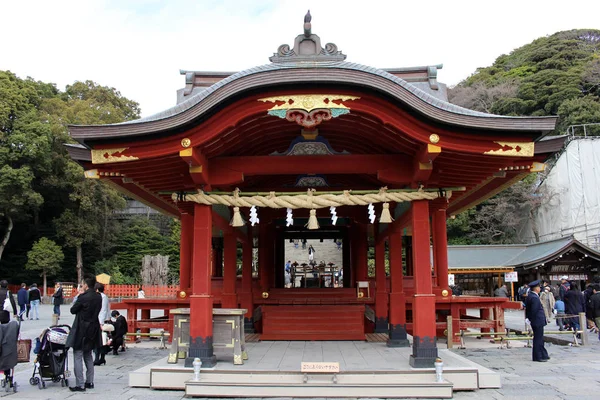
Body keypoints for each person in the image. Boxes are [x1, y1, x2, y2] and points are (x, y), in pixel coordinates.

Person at [66, 276, 102, 392]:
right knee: (88, 354)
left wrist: (78, 296)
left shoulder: (83, 297)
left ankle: (80, 384)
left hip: (82, 327)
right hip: (93, 327)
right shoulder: (98, 297)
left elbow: (73, 310)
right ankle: (90, 381)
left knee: (78, 354)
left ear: (86, 285)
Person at [524, 280, 549, 362]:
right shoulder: (534, 297)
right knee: (538, 338)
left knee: (539, 338)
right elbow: (534, 310)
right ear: (536, 288)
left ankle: (543, 354)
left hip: (536, 320)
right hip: (537, 320)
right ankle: (538, 356)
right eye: (538, 287)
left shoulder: (531, 296)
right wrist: (531, 319)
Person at [0, 280, 18, 388]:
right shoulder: (8, 293)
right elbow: (12, 303)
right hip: (5, 315)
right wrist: (15, 312)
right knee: (6, 329)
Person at [94, 283, 110, 366]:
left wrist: (101, 322)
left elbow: (103, 310)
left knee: (101, 340)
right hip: (101, 320)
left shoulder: (102, 297)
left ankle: (100, 358)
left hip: (102, 321)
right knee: (101, 340)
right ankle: (100, 358)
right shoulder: (102, 296)